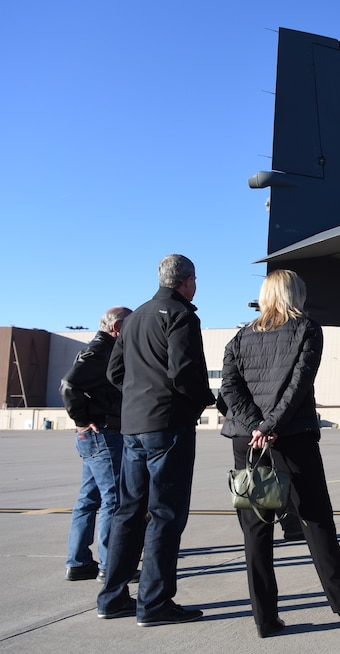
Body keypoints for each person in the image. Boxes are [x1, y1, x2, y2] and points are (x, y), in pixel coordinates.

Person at [220, 269, 340, 636]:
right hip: (291, 438)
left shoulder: (241, 336)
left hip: (246, 443)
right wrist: (270, 426)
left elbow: (228, 388)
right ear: (295, 295)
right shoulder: (308, 329)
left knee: (256, 529)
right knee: (315, 518)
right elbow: (298, 386)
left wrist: (254, 427)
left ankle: (265, 618)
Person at [97, 254, 215, 625]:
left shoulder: (133, 320)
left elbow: (115, 371)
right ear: (187, 281)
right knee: (165, 513)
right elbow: (184, 372)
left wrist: (138, 397)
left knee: (128, 511)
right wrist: (204, 401)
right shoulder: (182, 316)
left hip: (133, 426)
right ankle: (154, 602)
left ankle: (112, 597)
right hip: (169, 426)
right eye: (195, 280)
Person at [60, 306, 132, 582]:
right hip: (102, 432)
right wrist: (80, 419)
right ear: (116, 328)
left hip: (96, 434)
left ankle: (78, 562)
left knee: (88, 499)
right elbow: (69, 385)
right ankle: (110, 566)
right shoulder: (101, 351)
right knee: (114, 499)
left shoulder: (103, 349)